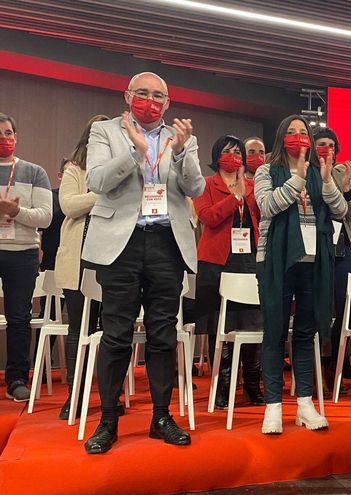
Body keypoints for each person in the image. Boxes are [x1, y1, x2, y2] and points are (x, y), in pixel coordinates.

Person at [80, 72, 204, 453]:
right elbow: (97, 180)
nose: (150, 101)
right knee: (116, 333)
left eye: (158, 96)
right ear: (127, 95)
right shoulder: (107, 132)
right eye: (143, 94)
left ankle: (162, 417)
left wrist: (182, 153)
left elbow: (194, 188)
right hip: (123, 242)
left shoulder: (181, 138)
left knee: (163, 333)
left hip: (167, 242)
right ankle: (108, 421)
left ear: (167, 104)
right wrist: (134, 151)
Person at [254, 114, 347, 433]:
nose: (298, 137)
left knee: (306, 334)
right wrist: (297, 180)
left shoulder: (321, 172)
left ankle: (305, 404)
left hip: (314, 261)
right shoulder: (267, 170)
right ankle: (274, 408)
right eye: (291, 132)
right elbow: (267, 205)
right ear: (281, 138)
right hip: (276, 262)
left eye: (302, 132)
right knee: (275, 333)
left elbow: (341, 211)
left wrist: (326, 180)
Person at [193, 135, 263, 409]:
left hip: (249, 259)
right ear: (216, 156)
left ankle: (252, 384)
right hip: (216, 262)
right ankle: (222, 386)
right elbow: (208, 217)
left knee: (252, 324)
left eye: (237, 151)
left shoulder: (254, 185)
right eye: (227, 151)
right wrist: (234, 198)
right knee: (219, 326)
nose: (233, 156)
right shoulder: (206, 185)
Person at [56, 114, 109, 418]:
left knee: (110, 331)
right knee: (79, 329)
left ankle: (108, 397)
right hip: (78, 258)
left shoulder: (118, 171)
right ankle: (74, 396)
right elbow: (69, 206)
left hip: (110, 257)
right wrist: (101, 194)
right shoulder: (74, 168)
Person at [0, 112, 52, 403]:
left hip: (22, 254)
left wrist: (15, 212)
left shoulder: (34, 172)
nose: (5, 139)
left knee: (19, 317)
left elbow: (45, 218)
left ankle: (17, 379)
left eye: (9, 133)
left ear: (16, 137)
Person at [313, 127, 351, 397]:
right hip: (317, 246)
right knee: (321, 309)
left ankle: (336, 369)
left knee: (344, 310)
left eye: (331, 145)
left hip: (343, 248)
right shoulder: (309, 172)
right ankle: (316, 372)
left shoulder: (343, 174)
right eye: (321, 144)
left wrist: (346, 188)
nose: (327, 149)